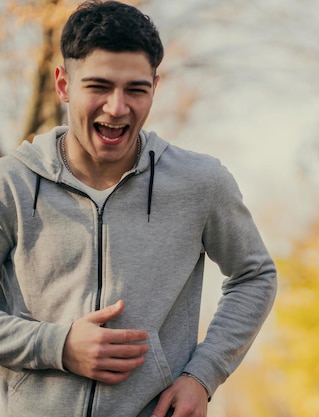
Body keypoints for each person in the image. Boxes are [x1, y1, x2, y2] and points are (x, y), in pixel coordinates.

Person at [0, 1, 277, 416]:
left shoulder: (200, 182)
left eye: (135, 89)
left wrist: (202, 376)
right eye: (98, 86)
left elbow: (255, 275)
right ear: (63, 85)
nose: (117, 107)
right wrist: (58, 347)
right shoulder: (13, 183)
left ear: (154, 87)